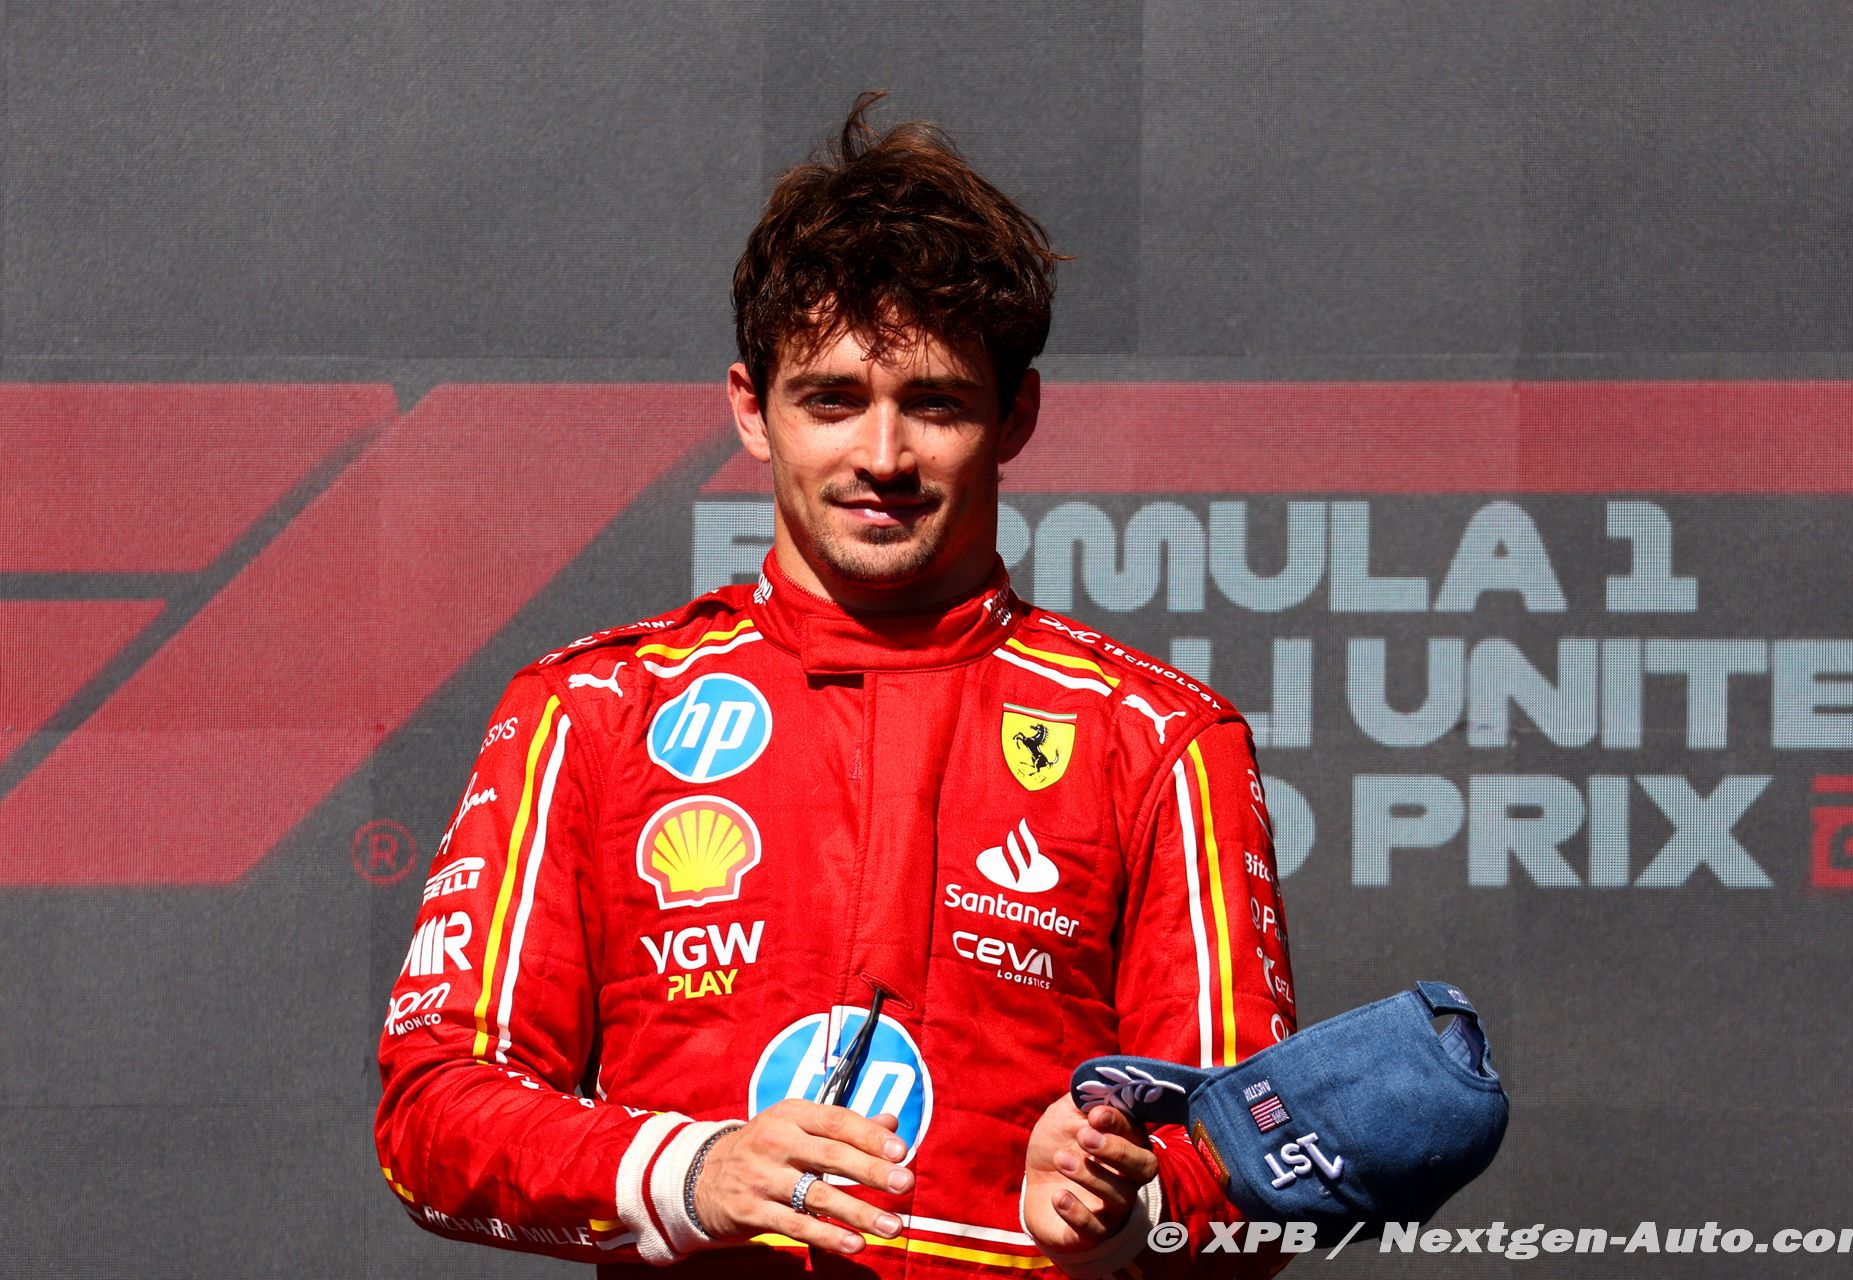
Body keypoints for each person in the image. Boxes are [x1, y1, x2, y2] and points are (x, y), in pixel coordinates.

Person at [375, 94, 1296, 1278]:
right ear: (750, 410)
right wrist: (690, 1168)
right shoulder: (593, 710)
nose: (882, 456)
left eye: (936, 402)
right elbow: (433, 1110)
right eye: (833, 399)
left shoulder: (1159, 736)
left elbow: (1254, 1160)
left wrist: (1127, 1202)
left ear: (1016, 414)